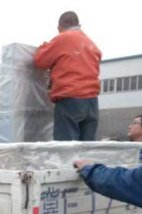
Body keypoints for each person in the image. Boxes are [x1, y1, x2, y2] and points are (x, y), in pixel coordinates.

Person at [34, 11, 102, 141]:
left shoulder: (63, 39)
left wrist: (44, 46)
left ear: (59, 27)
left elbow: (40, 61)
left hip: (70, 99)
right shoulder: (90, 43)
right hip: (92, 103)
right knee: (87, 148)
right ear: (78, 24)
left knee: (66, 148)